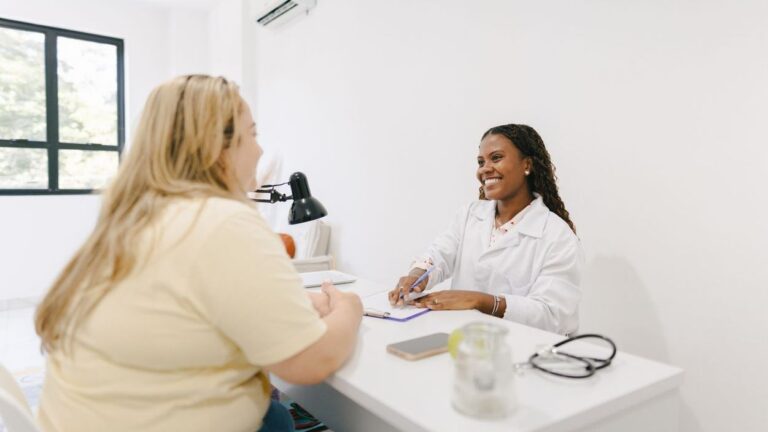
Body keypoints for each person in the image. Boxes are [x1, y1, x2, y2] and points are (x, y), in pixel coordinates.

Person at [34, 75, 362, 432]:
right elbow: (311, 361)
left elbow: (185, 307)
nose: (260, 151)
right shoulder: (222, 221)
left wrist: (298, 302)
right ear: (216, 149)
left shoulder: (133, 219)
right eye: (252, 134)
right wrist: (349, 308)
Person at [388, 124, 583, 335]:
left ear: (527, 164)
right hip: (464, 339)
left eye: (496, 158)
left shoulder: (558, 237)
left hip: (521, 347)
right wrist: (418, 276)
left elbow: (552, 316)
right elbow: (440, 254)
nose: (484, 169)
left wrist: (480, 301)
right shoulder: (470, 214)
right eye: (481, 162)